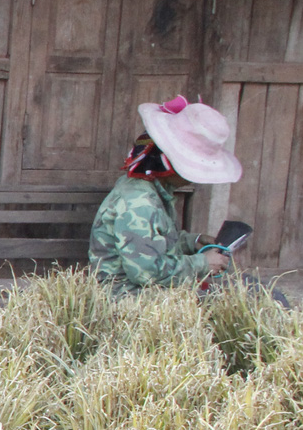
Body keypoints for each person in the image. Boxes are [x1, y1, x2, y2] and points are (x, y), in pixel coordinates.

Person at [90, 97, 241, 294]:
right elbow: (146, 273)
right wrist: (202, 263)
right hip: (127, 297)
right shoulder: (139, 203)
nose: (192, 181)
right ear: (170, 168)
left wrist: (192, 242)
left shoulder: (151, 191)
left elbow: (154, 242)